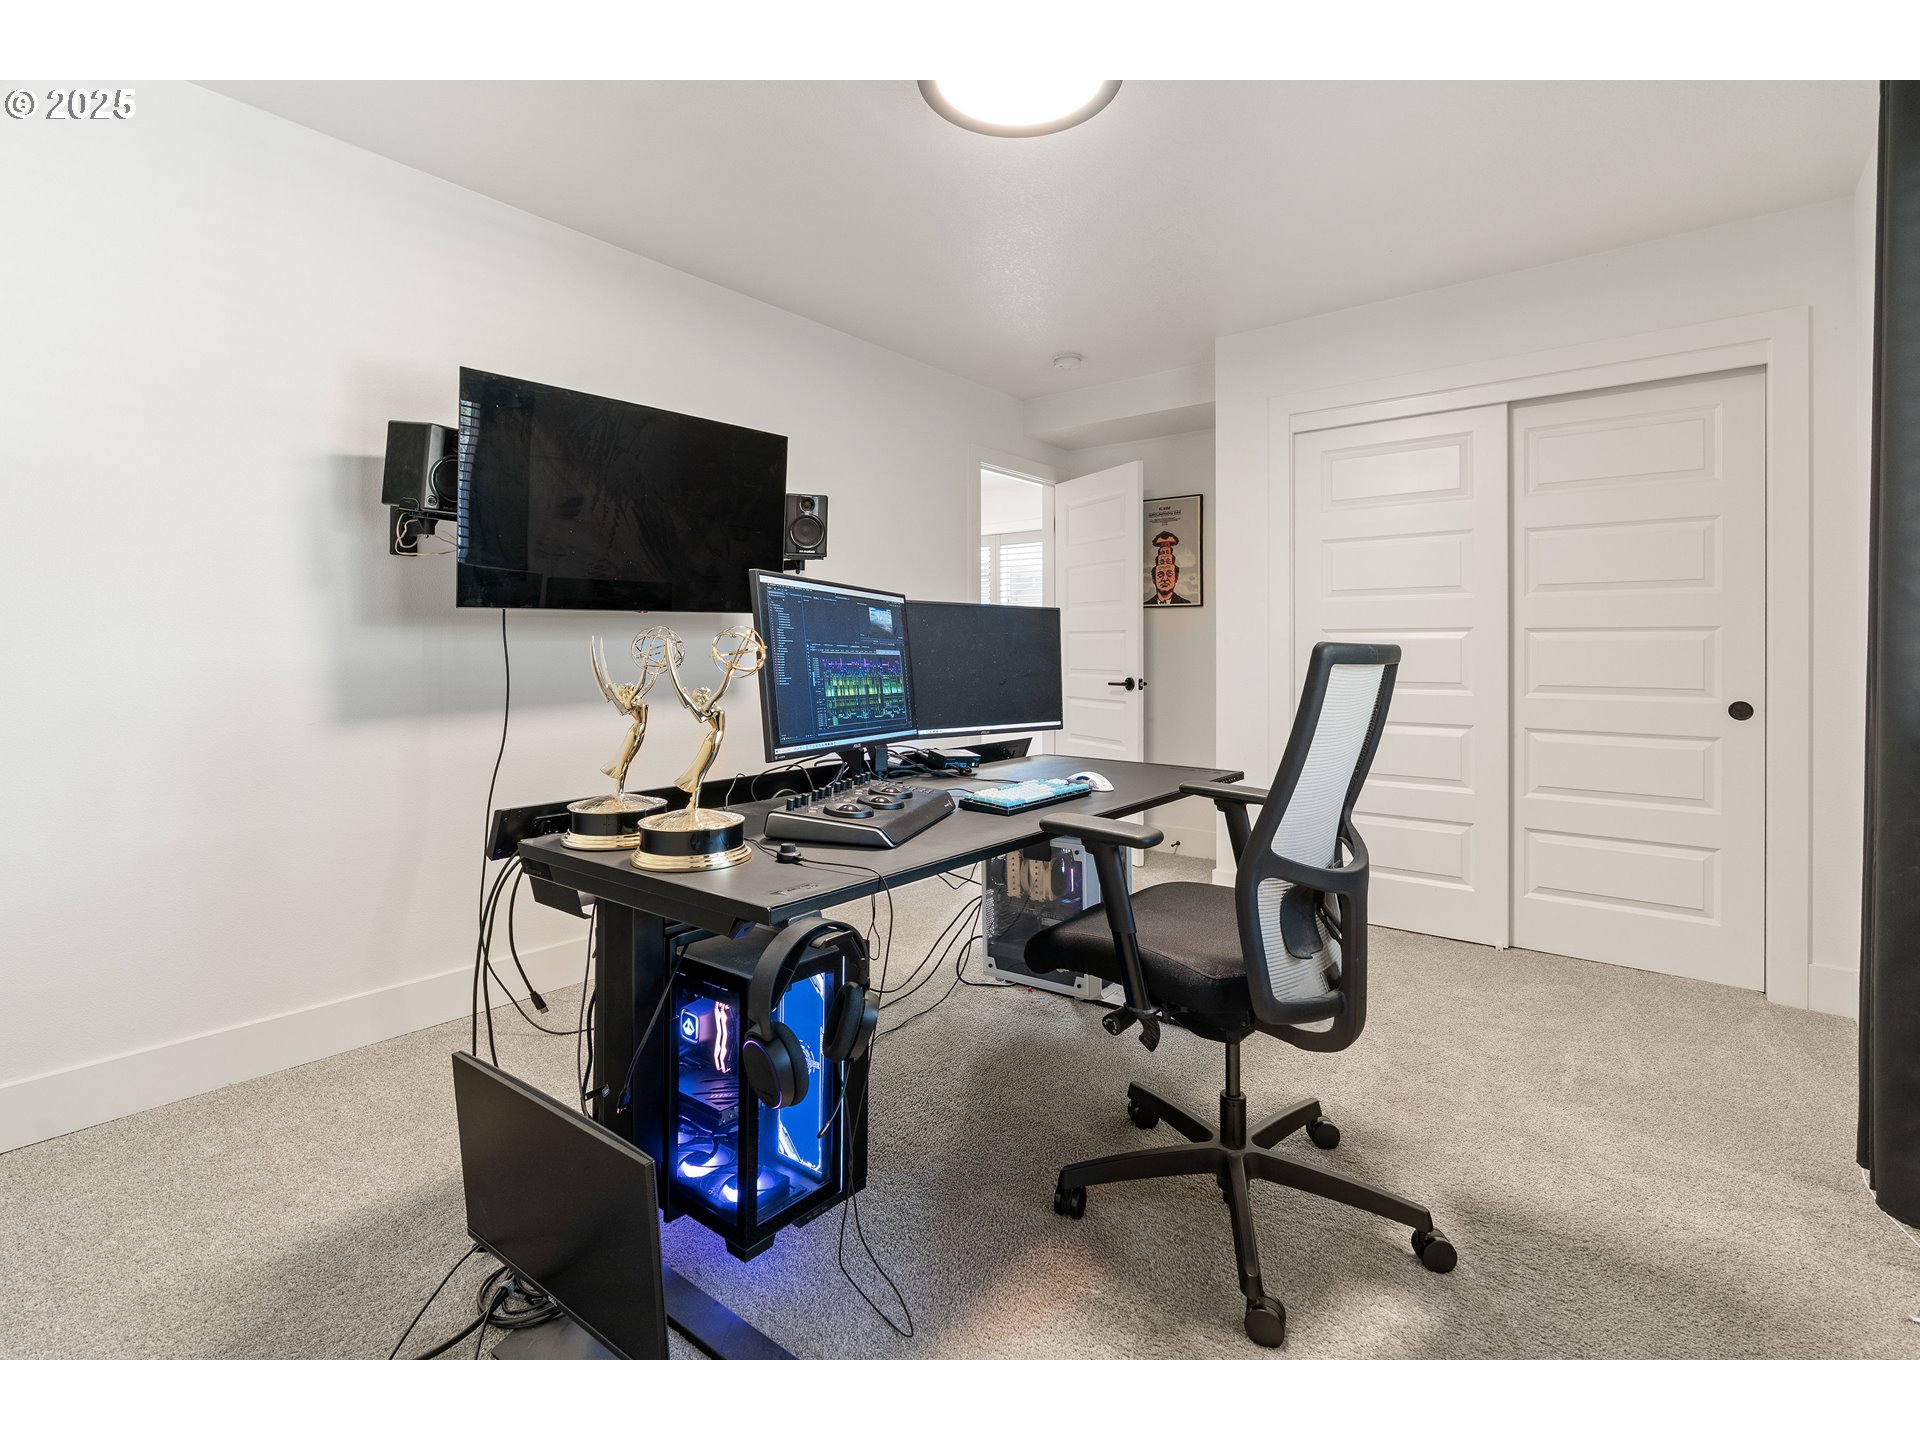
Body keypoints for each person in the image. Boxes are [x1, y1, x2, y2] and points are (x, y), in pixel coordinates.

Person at [1148, 529, 1192, 605]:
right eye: (1160, 575)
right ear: (1153, 579)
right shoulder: (1147, 604)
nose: (1165, 579)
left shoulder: (1185, 603)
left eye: (1169, 574)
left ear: (1176, 578)